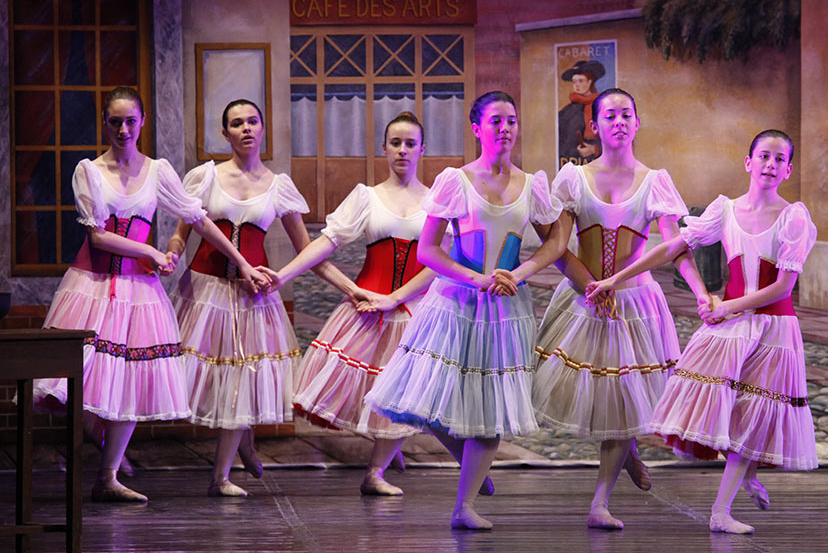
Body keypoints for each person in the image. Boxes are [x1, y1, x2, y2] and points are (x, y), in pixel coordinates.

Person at [33, 87, 268, 502]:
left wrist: (242, 262)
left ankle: (108, 477)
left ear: (142, 121)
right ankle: (92, 429)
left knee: (131, 380)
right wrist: (151, 252)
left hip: (140, 292)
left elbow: (198, 219)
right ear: (105, 123)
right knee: (83, 376)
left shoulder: (158, 171)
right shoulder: (89, 171)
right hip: (93, 285)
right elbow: (98, 236)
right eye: (115, 122)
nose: (123, 130)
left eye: (131, 121)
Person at [586, 129, 818, 535]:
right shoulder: (726, 210)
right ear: (748, 162)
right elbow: (671, 247)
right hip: (731, 327)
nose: (770, 164)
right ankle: (746, 474)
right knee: (720, 407)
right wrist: (614, 280)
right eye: (764, 156)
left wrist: (727, 306)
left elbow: (783, 287)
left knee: (754, 413)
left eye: (779, 159)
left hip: (774, 329)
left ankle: (720, 511)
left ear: (788, 170)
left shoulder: (793, 217)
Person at [364, 91, 568, 530]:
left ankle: (465, 506)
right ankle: (471, 464)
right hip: (456, 302)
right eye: (495, 120)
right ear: (477, 128)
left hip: (505, 309)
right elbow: (428, 250)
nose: (505, 128)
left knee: (490, 410)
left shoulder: (532, 184)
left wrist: (522, 272)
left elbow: (556, 240)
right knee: (425, 398)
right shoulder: (456, 181)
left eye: (511, 120)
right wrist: (475, 278)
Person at [534, 88, 710, 529]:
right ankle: (627, 453)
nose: (619, 122)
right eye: (609, 115)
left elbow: (675, 246)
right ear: (594, 126)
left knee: (624, 398)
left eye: (626, 114)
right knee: (604, 398)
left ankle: (600, 502)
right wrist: (591, 287)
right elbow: (558, 247)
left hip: (636, 305)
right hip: (584, 299)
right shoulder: (573, 179)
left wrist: (701, 292)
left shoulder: (655, 181)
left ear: (637, 123)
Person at [258, 111, 438, 497]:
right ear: (383, 148)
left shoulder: (436, 201)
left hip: (415, 309)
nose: (402, 151)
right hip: (368, 307)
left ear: (422, 149)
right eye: (395, 143)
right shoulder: (367, 197)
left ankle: (377, 470)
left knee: (408, 391)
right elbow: (325, 244)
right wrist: (283, 276)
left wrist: (396, 298)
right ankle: (384, 458)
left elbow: (439, 264)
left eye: (410, 144)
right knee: (374, 388)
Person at [167, 99, 317, 497]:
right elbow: (181, 234)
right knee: (196, 376)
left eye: (252, 121)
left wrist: (285, 279)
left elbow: (307, 250)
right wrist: (170, 254)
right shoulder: (205, 177)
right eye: (237, 123)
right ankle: (242, 444)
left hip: (253, 297)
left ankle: (221, 475)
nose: (246, 128)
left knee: (241, 375)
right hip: (204, 292)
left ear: (263, 128)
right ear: (225, 133)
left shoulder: (279, 185)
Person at [558, 59, 605, 165]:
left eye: (581, 81)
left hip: (598, 165)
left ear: (590, 82)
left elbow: (613, 140)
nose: (577, 85)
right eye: (574, 81)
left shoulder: (602, 108)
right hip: (572, 164)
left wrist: (594, 149)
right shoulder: (566, 112)